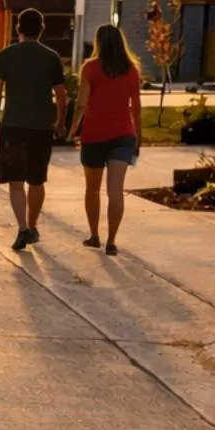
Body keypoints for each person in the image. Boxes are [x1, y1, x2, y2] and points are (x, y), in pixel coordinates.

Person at [0, 8, 68, 251]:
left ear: (18, 28)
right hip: (40, 127)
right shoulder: (51, 57)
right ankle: (32, 226)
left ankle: (22, 228)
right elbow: (61, 94)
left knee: (15, 181)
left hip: (13, 124)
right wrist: (60, 121)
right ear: (41, 29)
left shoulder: (6, 55)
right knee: (36, 179)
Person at [73, 21, 142, 255]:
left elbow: (82, 103)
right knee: (116, 190)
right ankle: (112, 242)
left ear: (99, 43)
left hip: (94, 135)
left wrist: (72, 129)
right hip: (124, 136)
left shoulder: (90, 68)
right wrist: (139, 138)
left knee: (92, 189)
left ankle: (94, 236)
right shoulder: (132, 70)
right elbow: (137, 108)